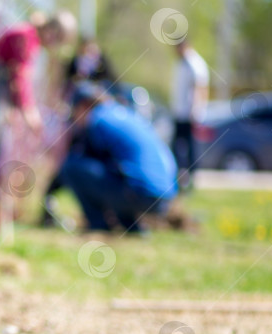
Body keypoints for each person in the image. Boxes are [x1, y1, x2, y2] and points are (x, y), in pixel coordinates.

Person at [0, 11, 77, 228]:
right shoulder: (25, 37)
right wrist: (29, 111)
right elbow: (19, 76)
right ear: (52, 31)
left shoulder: (28, 36)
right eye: (58, 40)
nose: (54, 46)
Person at [44, 83, 177, 233]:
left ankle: (98, 225)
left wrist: (48, 194)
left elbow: (81, 165)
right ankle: (132, 227)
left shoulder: (97, 120)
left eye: (75, 112)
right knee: (114, 173)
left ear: (84, 106)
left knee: (73, 167)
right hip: (164, 197)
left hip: (142, 194)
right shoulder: (124, 113)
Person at [171, 38, 209, 190]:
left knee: (191, 146)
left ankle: (191, 177)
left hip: (190, 113)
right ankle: (180, 175)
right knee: (177, 145)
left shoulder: (194, 63)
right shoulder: (180, 63)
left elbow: (200, 87)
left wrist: (196, 110)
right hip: (179, 111)